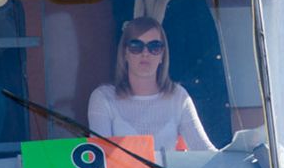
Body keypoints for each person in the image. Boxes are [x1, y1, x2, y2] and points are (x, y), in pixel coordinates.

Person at [87, 16, 216, 152]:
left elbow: (205, 151)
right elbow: (100, 157)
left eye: (154, 47)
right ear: (125, 53)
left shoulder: (178, 96)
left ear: (162, 56)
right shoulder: (103, 97)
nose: (145, 53)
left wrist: (230, 156)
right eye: (136, 46)